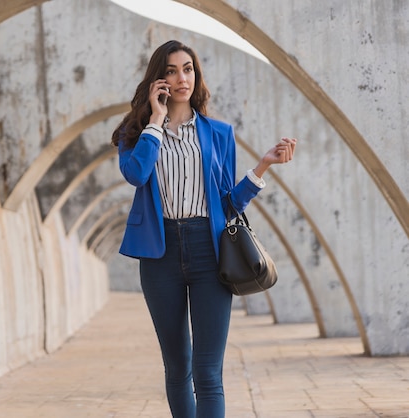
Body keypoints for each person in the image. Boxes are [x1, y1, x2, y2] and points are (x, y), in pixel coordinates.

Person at [111, 40, 296, 418]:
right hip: (159, 254)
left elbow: (228, 202)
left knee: (208, 372)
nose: (183, 78)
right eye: (172, 71)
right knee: (177, 368)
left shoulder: (218, 134)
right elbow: (137, 174)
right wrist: (154, 122)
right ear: (157, 81)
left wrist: (262, 167)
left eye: (189, 69)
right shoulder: (135, 133)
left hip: (209, 251)